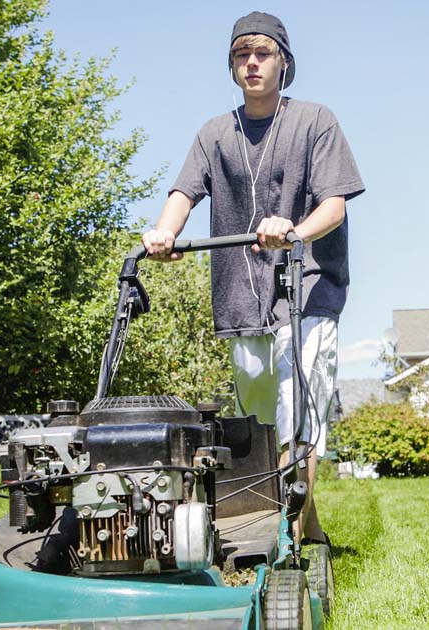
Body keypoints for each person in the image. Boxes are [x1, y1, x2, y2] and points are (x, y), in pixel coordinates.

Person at [142, 11, 363, 545]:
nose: (252, 63)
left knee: (298, 414)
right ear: (232, 66)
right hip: (242, 297)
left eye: (263, 53)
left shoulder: (315, 121)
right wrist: (164, 233)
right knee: (261, 423)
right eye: (242, 54)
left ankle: (288, 535)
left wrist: (295, 230)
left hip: (308, 288)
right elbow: (184, 193)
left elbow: (333, 206)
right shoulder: (215, 133)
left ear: (284, 62)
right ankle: (304, 527)